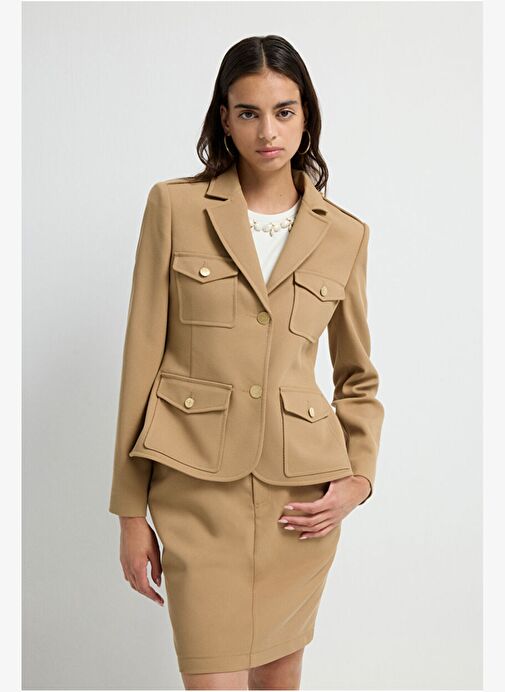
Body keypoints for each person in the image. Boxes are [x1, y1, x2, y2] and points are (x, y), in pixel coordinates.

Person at [108, 34, 385, 691]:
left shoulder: (344, 234)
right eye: (249, 112)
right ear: (224, 119)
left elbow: (357, 376)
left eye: (284, 112)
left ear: (306, 117)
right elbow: (140, 358)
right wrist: (129, 512)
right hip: (195, 491)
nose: (268, 131)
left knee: (280, 678)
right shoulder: (174, 208)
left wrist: (358, 480)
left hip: (301, 502)